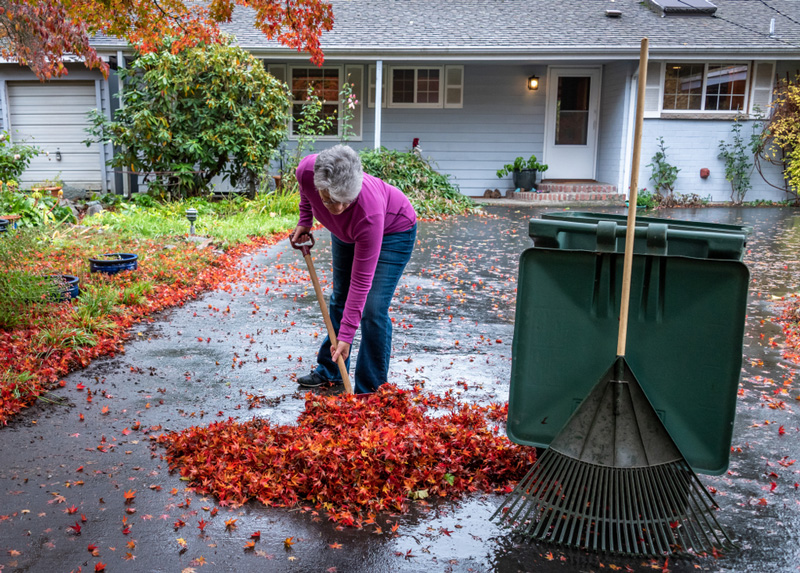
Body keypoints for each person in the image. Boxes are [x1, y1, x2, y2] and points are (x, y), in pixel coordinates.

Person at [291, 145, 417, 394]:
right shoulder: (307, 170)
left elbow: (361, 283)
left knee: (372, 308)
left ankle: (370, 387)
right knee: (339, 298)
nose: (337, 209)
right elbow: (306, 192)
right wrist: (305, 221)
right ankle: (333, 370)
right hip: (345, 233)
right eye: (329, 200)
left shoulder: (368, 213)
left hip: (394, 231)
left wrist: (347, 337)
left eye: (344, 202)